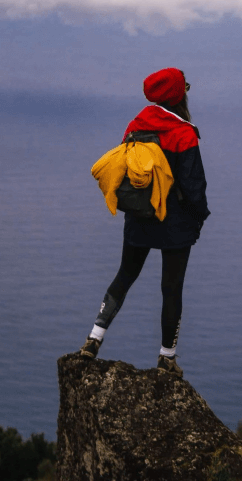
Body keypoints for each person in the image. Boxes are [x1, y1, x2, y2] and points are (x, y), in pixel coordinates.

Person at [80, 67, 210, 376]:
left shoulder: (136, 124)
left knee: (125, 276)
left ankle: (93, 339)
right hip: (175, 223)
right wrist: (199, 218)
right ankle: (167, 358)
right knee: (171, 288)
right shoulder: (183, 132)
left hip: (140, 218)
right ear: (180, 95)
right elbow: (194, 187)